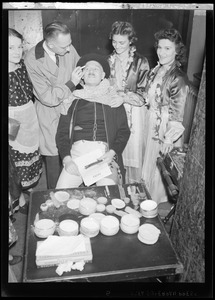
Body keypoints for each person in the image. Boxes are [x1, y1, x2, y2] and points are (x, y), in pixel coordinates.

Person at [56, 53, 130, 188]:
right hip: (77, 153)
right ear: (82, 75)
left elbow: (124, 131)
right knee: (61, 194)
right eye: (87, 69)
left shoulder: (113, 99)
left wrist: (112, 152)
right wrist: (67, 160)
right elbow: (61, 133)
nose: (91, 71)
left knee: (109, 195)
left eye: (96, 68)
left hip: (104, 154)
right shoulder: (71, 100)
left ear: (103, 76)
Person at [24, 21, 82, 189]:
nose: (69, 49)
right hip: (50, 113)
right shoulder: (33, 59)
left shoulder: (66, 45)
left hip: (71, 108)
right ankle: (54, 199)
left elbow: (80, 65)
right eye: (65, 47)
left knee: (75, 153)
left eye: (70, 43)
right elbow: (47, 98)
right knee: (54, 159)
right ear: (50, 44)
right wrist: (71, 83)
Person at [141, 28, 189, 204]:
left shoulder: (178, 78)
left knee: (159, 169)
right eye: (160, 47)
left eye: (167, 48)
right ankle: (145, 197)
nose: (162, 52)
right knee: (148, 162)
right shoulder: (157, 70)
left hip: (166, 127)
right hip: (151, 121)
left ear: (177, 51)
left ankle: (154, 204)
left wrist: (169, 138)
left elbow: (177, 115)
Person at [108, 21, 150, 184]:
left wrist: (123, 98)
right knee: (116, 149)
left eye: (122, 42)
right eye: (114, 41)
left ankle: (134, 189)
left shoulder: (141, 61)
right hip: (114, 109)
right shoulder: (109, 60)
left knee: (132, 151)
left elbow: (143, 95)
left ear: (131, 41)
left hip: (134, 112)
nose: (117, 46)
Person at [9, 28, 43, 210]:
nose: (17, 51)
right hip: (12, 121)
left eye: (19, 46)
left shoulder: (22, 66)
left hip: (29, 116)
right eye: (10, 48)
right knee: (14, 164)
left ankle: (23, 191)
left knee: (30, 157)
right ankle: (18, 199)